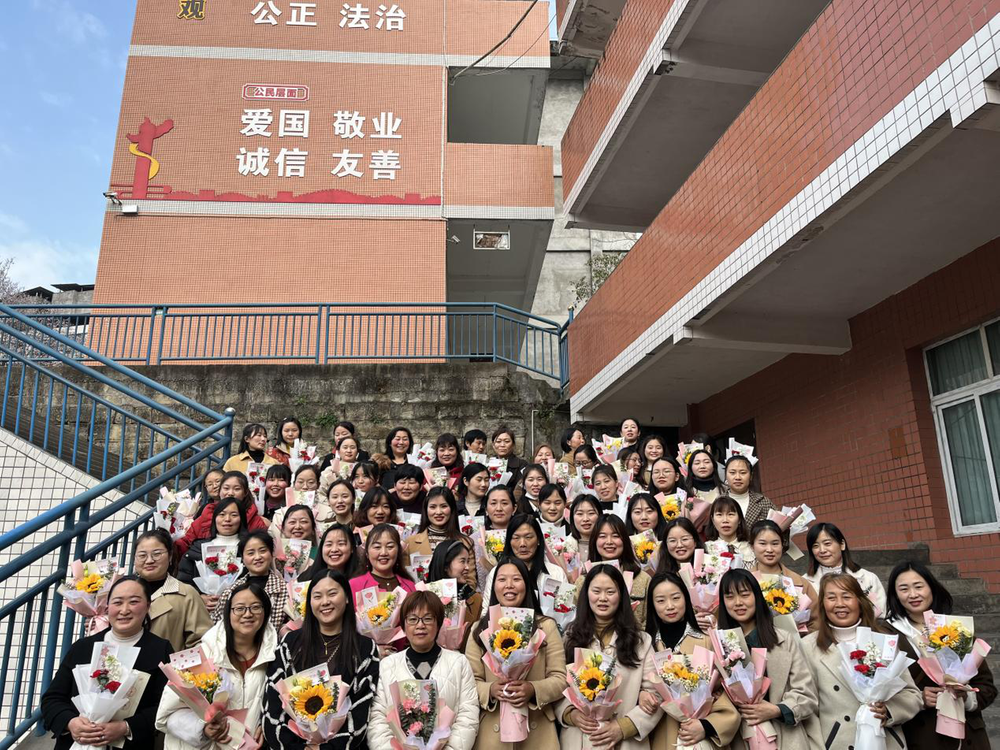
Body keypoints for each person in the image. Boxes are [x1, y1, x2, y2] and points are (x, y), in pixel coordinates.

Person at [41, 576, 172, 750]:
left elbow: (166, 706)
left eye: (134, 602)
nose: (124, 610)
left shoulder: (160, 650)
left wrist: (125, 727)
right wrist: (71, 723)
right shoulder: (83, 648)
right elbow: (52, 698)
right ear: (107, 607)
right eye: (117, 602)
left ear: (148, 606)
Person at [801, 573, 921, 750]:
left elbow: (912, 694)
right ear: (823, 604)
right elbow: (808, 705)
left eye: (847, 597)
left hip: (885, 740)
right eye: (831, 597)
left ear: (859, 601)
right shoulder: (808, 646)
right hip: (837, 742)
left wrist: (888, 711)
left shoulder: (883, 640)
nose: (840, 604)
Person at [262, 570, 380, 750]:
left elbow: (361, 710)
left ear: (347, 598)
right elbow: (272, 704)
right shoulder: (290, 643)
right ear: (310, 602)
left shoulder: (365, 648)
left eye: (332, 594)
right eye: (317, 596)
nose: (325, 602)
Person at [886, 561, 997, 750]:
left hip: (970, 737)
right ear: (895, 595)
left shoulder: (955, 628)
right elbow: (883, 692)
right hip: (922, 735)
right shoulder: (888, 635)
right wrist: (918, 698)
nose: (913, 594)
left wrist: (966, 696)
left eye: (919, 586)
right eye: (904, 589)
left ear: (931, 588)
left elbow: (987, 687)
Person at [156, 581, 278, 750]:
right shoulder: (198, 655)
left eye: (256, 607)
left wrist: (267, 727)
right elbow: (166, 716)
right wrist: (203, 729)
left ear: (266, 612)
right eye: (240, 608)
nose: (248, 614)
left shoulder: (276, 656)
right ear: (228, 613)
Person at [465, 557, 566, 750]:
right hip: (492, 733)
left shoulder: (546, 626)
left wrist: (533, 690)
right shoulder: (479, 629)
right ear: (493, 587)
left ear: (527, 585)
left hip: (538, 732)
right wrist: (491, 690)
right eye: (502, 580)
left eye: (516, 579)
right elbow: (470, 682)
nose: (509, 585)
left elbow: (560, 678)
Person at [557, 565, 662, 750]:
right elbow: (557, 684)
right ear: (586, 594)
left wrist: (624, 727)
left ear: (621, 596)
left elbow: (657, 694)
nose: (603, 598)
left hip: (625, 741)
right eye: (596, 591)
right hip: (579, 739)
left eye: (610, 591)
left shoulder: (641, 641)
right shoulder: (570, 637)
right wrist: (570, 714)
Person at [716, 569, 819, 749]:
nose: (738, 602)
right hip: (739, 738)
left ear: (757, 596)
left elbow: (806, 694)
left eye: (745, 595)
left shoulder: (784, 640)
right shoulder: (718, 645)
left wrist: (777, 709)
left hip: (786, 737)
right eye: (730, 596)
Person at [368, 591, 480, 750]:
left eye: (428, 618)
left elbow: (467, 716)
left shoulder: (458, 662)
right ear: (403, 625)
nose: (420, 625)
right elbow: (377, 718)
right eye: (413, 619)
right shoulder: (387, 665)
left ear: (439, 623)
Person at [643, 571, 741, 748]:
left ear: (686, 599)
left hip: (701, 736)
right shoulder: (645, 643)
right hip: (660, 731)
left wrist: (706, 726)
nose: (670, 606)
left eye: (675, 598)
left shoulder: (706, 639)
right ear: (652, 605)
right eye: (661, 600)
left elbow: (726, 691)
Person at [133, 529, 212, 651]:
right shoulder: (124, 591)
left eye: (157, 554)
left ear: (170, 556)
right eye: (142, 555)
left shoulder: (186, 594)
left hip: (169, 668)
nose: (149, 560)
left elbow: (202, 641)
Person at [176, 498, 249, 612]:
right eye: (222, 514)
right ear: (215, 518)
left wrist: (229, 599)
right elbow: (183, 582)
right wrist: (200, 597)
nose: (227, 519)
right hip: (201, 611)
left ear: (242, 519)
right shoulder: (198, 548)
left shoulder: (249, 549)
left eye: (234, 515)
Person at [748, 520, 819, 631]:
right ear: (752, 546)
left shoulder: (800, 582)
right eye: (762, 543)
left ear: (782, 545)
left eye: (775, 543)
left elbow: (816, 621)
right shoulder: (744, 582)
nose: (769, 550)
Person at [175, 471, 266, 557]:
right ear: (220, 491)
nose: (230, 493)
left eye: (237, 489)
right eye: (226, 488)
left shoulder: (255, 521)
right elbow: (186, 542)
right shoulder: (206, 515)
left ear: (245, 492)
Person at [803, 522, 887, 616]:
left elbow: (881, 615)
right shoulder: (804, 583)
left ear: (842, 544)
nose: (822, 550)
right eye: (815, 546)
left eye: (827, 543)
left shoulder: (868, 578)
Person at [581, 515, 650, 627]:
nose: (609, 542)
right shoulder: (583, 580)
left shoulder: (643, 579)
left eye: (615, 536)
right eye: (602, 536)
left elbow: (650, 620)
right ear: (594, 541)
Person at [213, 531, 289, 631]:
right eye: (250, 553)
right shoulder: (230, 592)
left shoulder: (286, 590)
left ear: (271, 554)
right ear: (243, 559)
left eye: (262, 551)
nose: (257, 557)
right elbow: (216, 628)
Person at [481, 514, 567, 598]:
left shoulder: (556, 573)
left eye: (528, 537)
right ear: (509, 542)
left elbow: (565, 608)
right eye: (516, 538)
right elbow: (487, 610)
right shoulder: (497, 573)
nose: (522, 544)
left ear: (538, 540)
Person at [428, 539, 482, 650]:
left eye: (468, 561)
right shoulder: (425, 595)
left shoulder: (475, 599)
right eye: (462, 561)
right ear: (445, 565)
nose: (467, 567)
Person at [349, 523, 417, 607]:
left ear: (398, 551)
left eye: (390, 546)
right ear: (367, 553)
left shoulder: (410, 586)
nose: (383, 553)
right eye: (377, 547)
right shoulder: (354, 585)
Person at [405, 486, 464, 558]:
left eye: (444, 506)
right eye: (433, 507)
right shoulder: (410, 543)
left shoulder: (466, 543)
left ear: (452, 509)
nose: (438, 512)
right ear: (426, 510)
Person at [724, 453, 775, 529]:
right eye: (732, 473)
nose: (737, 477)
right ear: (726, 475)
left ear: (751, 476)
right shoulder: (718, 502)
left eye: (743, 473)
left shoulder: (764, 502)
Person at [704, 495, 754, 565]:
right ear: (712, 520)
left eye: (730, 514)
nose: (725, 520)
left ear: (739, 519)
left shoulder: (751, 548)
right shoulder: (706, 549)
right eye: (719, 515)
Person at [568, 494, 602, 563]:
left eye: (591, 513)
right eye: (580, 514)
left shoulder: (606, 545)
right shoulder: (565, 547)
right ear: (572, 518)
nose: (585, 519)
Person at [492, 426, 526, 490]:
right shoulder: (488, 464)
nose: (502, 445)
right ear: (493, 445)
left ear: (513, 444)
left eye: (507, 441)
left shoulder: (521, 465)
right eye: (498, 441)